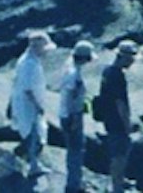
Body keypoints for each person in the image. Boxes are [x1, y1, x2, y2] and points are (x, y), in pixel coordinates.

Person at [5, 30, 59, 175]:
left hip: (25, 103)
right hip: (28, 105)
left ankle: (29, 163)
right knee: (34, 136)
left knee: (34, 134)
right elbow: (28, 89)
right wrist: (38, 105)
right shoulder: (29, 64)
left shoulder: (29, 60)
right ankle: (30, 165)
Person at [90, 38, 139, 184]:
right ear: (123, 56)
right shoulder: (117, 76)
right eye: (131, 57)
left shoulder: (107, 71)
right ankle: (117, 185)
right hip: (117, 122)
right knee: (120, 155)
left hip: (108, 119)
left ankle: (118, 180)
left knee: (117, 153)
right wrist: (127, 125)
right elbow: (120, 103)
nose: (132, 61)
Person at [52, 45, 93, 192]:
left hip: (66, 114)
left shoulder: (69, 68)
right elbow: (72, 96)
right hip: (72, 116)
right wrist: (75, 118)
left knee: (74, 149)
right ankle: (73, 185)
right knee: (76, 150)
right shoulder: (74, 74)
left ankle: (75, 181)